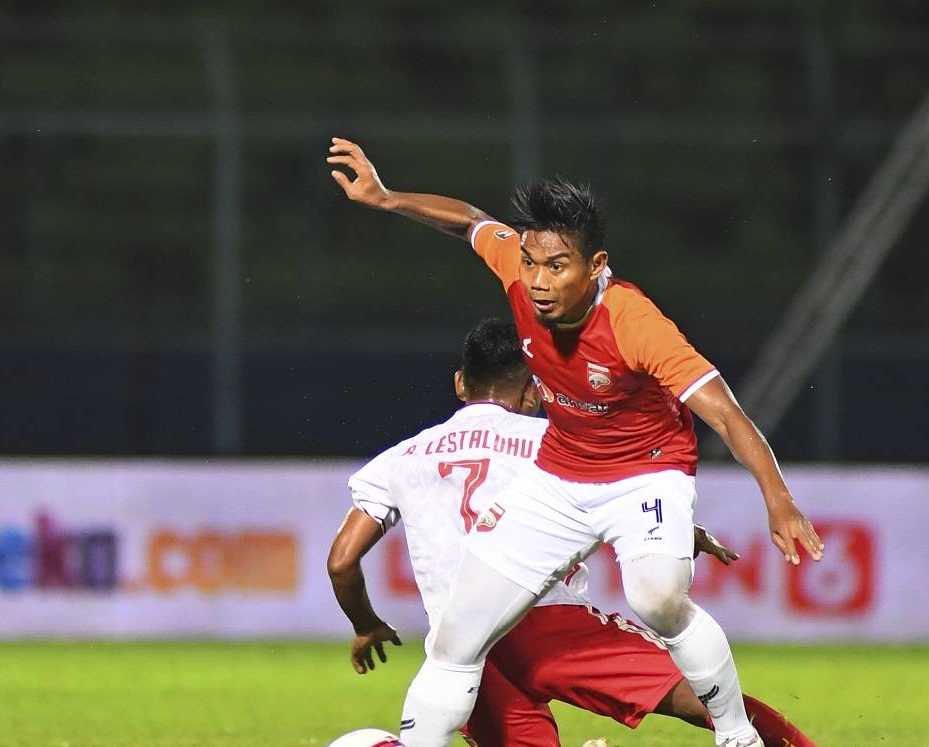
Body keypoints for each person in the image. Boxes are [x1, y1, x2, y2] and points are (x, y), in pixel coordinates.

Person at [327, 137, 823, 747]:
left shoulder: (633, 322)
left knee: (660, 598)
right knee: (457, 634)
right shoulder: (522, 267)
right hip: (560, 474)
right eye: (531, 262)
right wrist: (386, 197)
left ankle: (738, 736)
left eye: (556, 266)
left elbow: (723, 411)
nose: (537, 280)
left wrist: (778, 498)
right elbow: (472, 221)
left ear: (596, 266)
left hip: (646, 472)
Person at [328, 318, 815, 747]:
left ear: (460, 384)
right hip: (545, 623)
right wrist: (684, 531)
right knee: (701, 697)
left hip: (461, 645)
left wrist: (366, 623)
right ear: (536, 389)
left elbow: (341, 562)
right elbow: (622, 499)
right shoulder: (554, 443)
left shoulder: (401, 458)